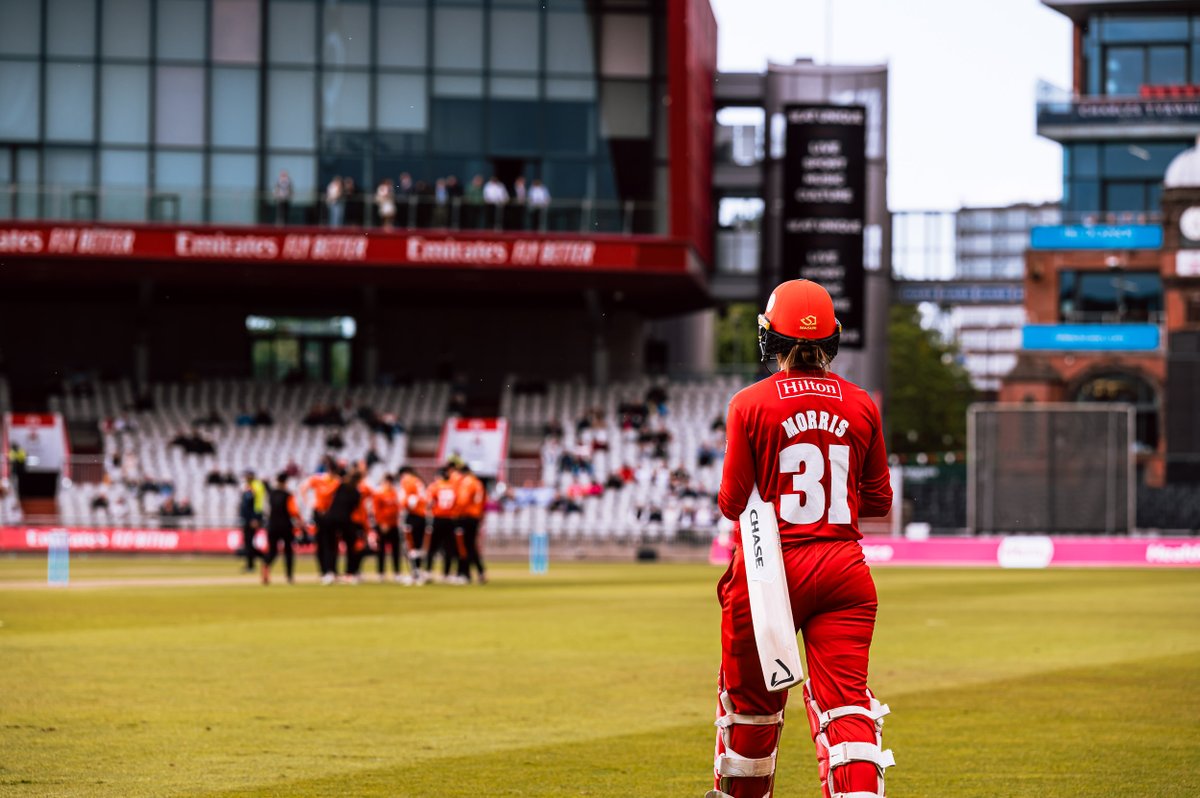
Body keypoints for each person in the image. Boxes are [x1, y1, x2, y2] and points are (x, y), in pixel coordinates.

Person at [707, 279, 894, 798]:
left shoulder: (749, 403)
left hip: (768, 574)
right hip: (843, 568)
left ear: (769, 338)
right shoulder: (861, 404)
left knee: (750, 707)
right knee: (847, 706)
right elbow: (878, 503)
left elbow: (730, 502)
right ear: (832, 338)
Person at [263, 473, 302, 585]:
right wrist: (300, 520)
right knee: (288, 551)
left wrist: (265, 483)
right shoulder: (288, 494)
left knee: (273, 551)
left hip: (272, 525)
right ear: (286, 482)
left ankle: (266, 565)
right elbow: (293, 511)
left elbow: (267, 489)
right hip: (286, 526)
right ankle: (289, 576)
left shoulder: (272, 494)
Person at [425, 466, 461, 582]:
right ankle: (446, 574)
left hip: (438, 518)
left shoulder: (434, 487)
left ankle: (428, 571)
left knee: (432, 547)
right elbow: (458, 503)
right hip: (450, 519)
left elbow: (429, 503)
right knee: (449, 548)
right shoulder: (454, 487)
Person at [454, 464, 488, 584]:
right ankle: (480, 572)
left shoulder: (467, 483)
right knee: (471, 546)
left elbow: (463, 500)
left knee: (464, 546)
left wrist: (456, 512)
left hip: (466, 517)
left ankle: (465, 574)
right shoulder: (478, 483)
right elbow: (484, 501)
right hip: (475, 517)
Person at [398, 466, 429, 584]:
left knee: (411, 546)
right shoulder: (419, 481)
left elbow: (406, 500)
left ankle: (415, 573)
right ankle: (419, 572)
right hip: (422, 516)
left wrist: (407, 505)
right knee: (418, 547)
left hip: (413, 516)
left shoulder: (408, 481)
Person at [372, 473, 403, 582]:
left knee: (396, 550)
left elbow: (397, 509)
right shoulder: (379, 494)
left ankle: (397, 572)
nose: (389, 484)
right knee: (381, 550)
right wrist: (382, 523)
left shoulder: (394, 493)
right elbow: (376, 510)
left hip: (393, 525)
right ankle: (381, 573)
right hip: (382, 526)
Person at [238, 471, 267, 572]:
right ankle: (255, 562)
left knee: (249, 541)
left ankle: (254, 563)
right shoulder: (251, 485)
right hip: (249, 517)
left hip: (253, 518)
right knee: (248, 542)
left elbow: (254, 503)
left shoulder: (255, 486)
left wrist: (255, 518)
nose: (245, 478)